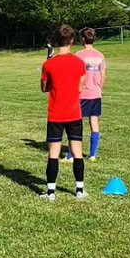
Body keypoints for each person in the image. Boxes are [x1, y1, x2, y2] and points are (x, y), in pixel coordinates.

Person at [39, 23, 87, 201]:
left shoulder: (48, 64)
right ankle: (80, 190)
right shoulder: (79, 63)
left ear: (56, 40)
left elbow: (44, 88)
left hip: (56, 114)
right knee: (77, 151)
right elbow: (80, 87)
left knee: (53, 152)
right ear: (72, 41)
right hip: (74, 113)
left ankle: (51, 192)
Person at [75, 27, 106, 161]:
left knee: (76, 124)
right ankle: (92, 155)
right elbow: (103, 75)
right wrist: (100, 89)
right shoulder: (100, 55)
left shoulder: (79, 55)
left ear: (82, 39)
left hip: (82, 94)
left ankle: (71, 155)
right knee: (94, 122)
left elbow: (75, 75)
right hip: (96, 93)